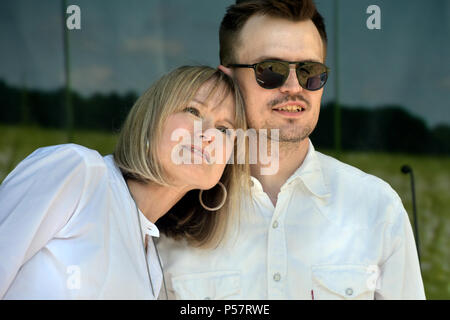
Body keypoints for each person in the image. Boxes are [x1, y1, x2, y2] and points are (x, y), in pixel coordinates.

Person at [157, 0, 426, 299]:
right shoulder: (170, 212)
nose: (294, 86)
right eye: (271, 70)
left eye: (310, 71)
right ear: (229, 79)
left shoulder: (378, 208)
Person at [0, 66, 249, 299]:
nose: (208, 134)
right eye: (194, 111)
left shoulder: (152, 265)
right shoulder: (79, 172)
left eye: (225, 129)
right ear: (151, 121)